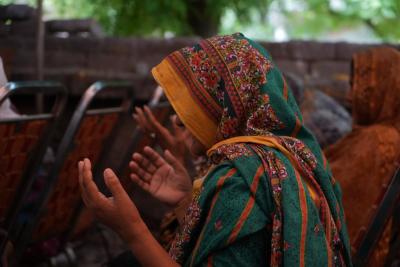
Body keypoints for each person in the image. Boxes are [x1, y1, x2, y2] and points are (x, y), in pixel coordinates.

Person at [79, 33, 352, 266]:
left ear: (227, 109)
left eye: (193, 103)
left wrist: (132, 230)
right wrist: (187, 200)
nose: (177, 119)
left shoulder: (241, 179)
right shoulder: (294, 152)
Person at [324, 47, 400, 266]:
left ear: (383, 87)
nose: (349, 96)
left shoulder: (376, 142)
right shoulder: (387, 135)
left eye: (357, 85)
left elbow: (323, 196)